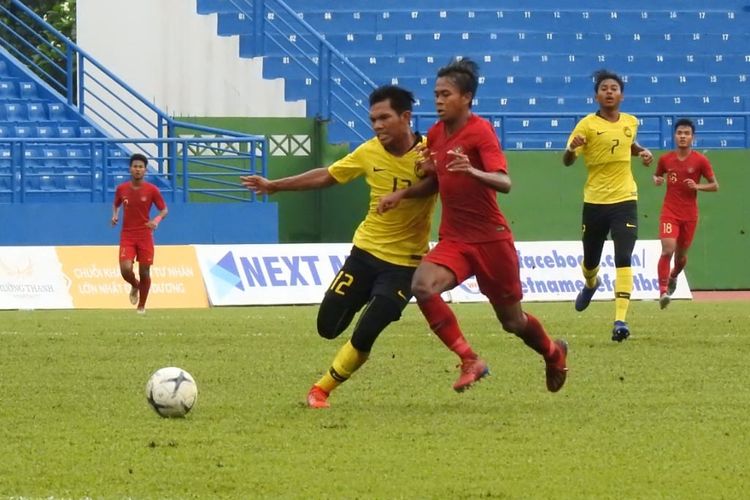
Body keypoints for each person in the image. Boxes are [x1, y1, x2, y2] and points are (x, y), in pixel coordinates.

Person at [378, 58, 568, 393]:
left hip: (491, 240)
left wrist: (472, 171)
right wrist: (411, 187)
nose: (438, 100)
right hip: (455, 239)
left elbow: (504, 182)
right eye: (435, 94)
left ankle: (553, 353)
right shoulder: (436, 134)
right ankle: (469, 359)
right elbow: (438, 177)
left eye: (445, 94)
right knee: (422, 285)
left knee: (513, 322)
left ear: (466, 98)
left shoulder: (481, 131)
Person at [241, 85, 437, 409]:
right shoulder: (368, 152)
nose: (377, 125)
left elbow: (455, 180)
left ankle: (321, 389)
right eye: (373, 119)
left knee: (368, 329)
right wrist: (275, 185)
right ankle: (367, 304)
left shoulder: (430, 153)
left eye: (384, 118)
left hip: (406, 264)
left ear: (406, 117)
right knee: (327, 326)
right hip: (365, 254)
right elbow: (327, 176)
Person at [562, 69, 654, 342]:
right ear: (596, 95)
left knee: (624, 256)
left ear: (622, 95)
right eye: (604, 88)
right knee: (591, 261)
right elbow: (568, 161)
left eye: (614, 87)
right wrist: (571, 149)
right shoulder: (586, 125)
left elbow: (627, 143)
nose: (610, 91)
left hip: (625, 199)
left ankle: (620, 321)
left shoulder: (630, 122)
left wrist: (642, 152)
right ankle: (591, 283)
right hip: (595, 202)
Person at [653, 118, 718, 309]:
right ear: (674, 136)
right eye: (679, 133)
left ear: (692, 137)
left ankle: (673, 276)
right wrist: (656, 179)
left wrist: (698, 185)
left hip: (689, 215)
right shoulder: (666, 159)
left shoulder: (700, 160)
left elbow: (715, 185)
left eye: (686, 133)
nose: (683, 136)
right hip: (669, 212)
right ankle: (663, 291)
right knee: (667, 249)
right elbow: (658, 175)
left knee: (680, 258)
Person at [111, 153, 168, 314]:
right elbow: (116, 205)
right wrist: (115, 215)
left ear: (145, 170)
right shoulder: (121, 189)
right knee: (125, 269)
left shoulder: (152, 190)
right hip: (127, 234)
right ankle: (135, 285)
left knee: (145, 271)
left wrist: (156, 220)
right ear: (130, 169)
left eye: (141, 167)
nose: (137, 169)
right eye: (135, 166)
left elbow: (164, 210)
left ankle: (141, 306)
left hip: (145, 234)